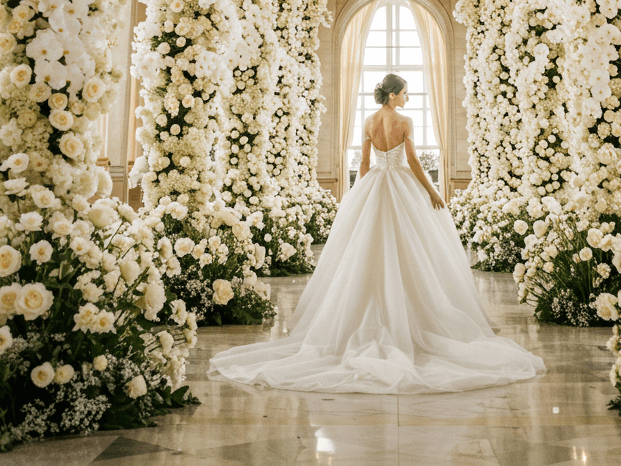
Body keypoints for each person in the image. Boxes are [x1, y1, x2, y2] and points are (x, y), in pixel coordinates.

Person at [209, 73, 545, 394]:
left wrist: (357, 194)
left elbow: (364, 164)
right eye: (406, 92)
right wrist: (431, 191)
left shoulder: (369, 121)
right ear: (394, 94)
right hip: (401, 185)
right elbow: (413, 161)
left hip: (373, 187)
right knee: (413, 250)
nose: (408, 97)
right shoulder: (404, 122)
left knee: (367, 251)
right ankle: (416, 317)